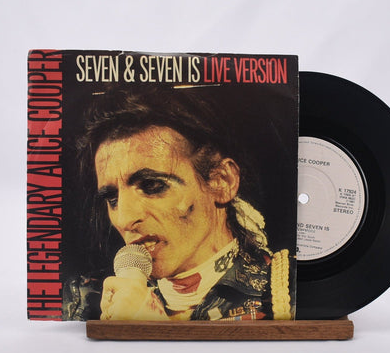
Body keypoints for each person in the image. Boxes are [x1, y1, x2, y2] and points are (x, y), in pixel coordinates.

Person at [77, 85, 293, 321]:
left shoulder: (287, 290)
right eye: (112, 198)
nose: (125, 218)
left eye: (152, 185)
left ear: (223, 181)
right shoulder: (83, 300)